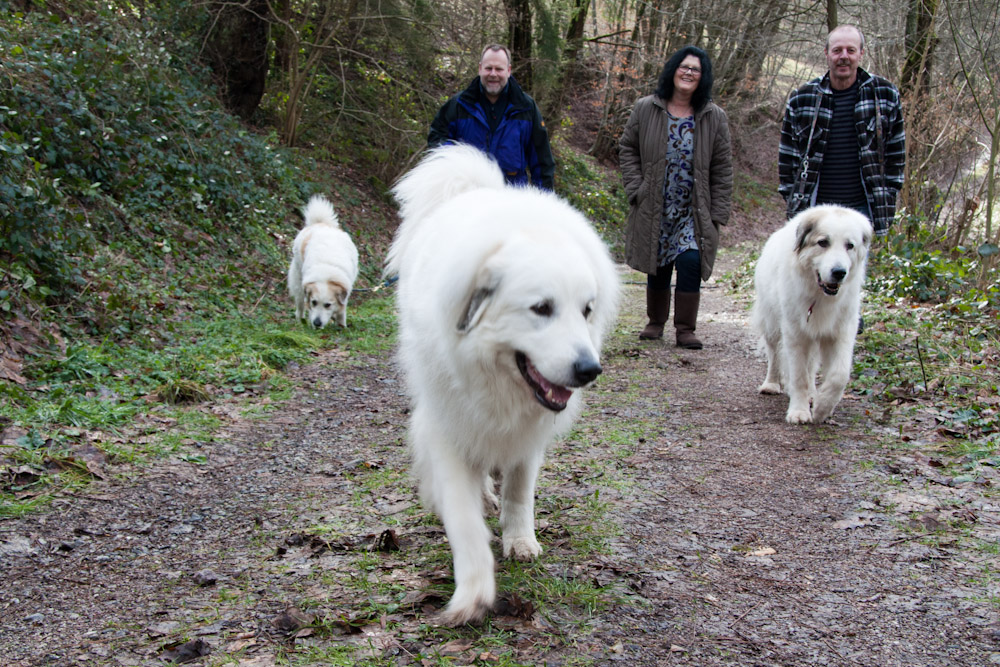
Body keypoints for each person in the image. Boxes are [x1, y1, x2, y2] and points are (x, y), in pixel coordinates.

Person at [619, 46, 733, 349]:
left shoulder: (713, 116)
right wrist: (636, 188)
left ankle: (685, 328)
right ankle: (655, 323)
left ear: (702, 77)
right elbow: (628, 148)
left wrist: (718, 213)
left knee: (691, 260)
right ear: (673, 70)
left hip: (694, 209)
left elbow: (722, 166)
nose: (689, 73)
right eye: (684, 67)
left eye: (695, 69)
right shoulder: (646, 108)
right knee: (658, 262)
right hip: (655, 201)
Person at [778, 25, 905, 236]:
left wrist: (889, 195)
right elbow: (787, 158)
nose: (843, 56)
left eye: (851, 50)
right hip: (815, 210)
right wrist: (793, 197)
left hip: (864, 210)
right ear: (827, 53)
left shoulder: (885, 95)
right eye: (837, 50)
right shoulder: (802, 98)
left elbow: (896, 155)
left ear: (861, 54)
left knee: (859, 269)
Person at [428, 44, 555, 190]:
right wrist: (458, 158)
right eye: (489, 68)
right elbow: (437, 139)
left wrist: (544, 201)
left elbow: (542, 162)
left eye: (499, 69)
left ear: (508, 71)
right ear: (480, 68)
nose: (493, 74)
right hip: (469, 196)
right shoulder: (459, 105)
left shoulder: (526, 108)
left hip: (512, 197)